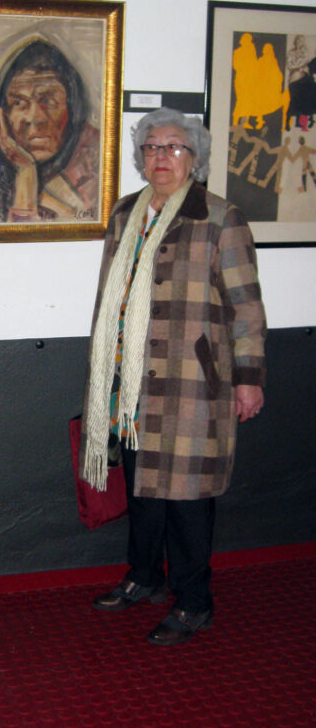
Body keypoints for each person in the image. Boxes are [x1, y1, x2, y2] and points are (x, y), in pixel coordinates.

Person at [81, 107, 266, 646]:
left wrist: (248, 377)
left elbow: (246, 308)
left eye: (173, 147)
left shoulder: (220, 218)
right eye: (151, 147)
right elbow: (109, 299)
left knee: (187, 497)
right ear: (140, 159)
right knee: (142, 491)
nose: (161, 157)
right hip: (132, 382)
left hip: (193, 382)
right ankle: (144, 578)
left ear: (195, 157)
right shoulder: (124, 215)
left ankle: (194, 602)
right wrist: (106, 371)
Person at [0, 39, 99, 223]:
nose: (35, 118)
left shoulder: (93, 168)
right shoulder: (0, 172)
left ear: (72, 109)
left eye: (48, 101)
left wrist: (26, 177)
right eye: (19, 103)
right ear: (3, 115)